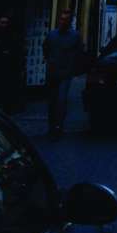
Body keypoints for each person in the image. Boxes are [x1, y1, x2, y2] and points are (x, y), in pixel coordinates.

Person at [43, 9, 85, 138]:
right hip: (52, 72)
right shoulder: (52, 35)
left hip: (66, 73)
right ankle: (51, 126)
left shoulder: (75, 36)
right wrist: (50, 61)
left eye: (66, 20)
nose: (63, 22)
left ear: (70, 22)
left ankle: (58, 126)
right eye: (61, 19)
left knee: (61, 99)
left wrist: (75, 68)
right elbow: (45, 49)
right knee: (52, 101)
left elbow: (80, 53)